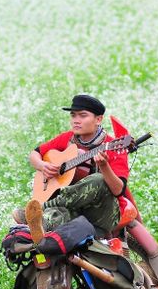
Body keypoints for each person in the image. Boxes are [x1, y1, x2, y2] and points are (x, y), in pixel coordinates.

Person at [13, 94, 133, 240]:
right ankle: (42, 224)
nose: (76, 120)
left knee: (98, 179)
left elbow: (118, 190)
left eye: (82, 116)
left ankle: (39, 208)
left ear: (98, 119)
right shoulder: (68, 139)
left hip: (102, 213)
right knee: (54, 219)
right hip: (73, 210)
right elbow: (35, 154)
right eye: (73, 115)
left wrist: (104, 166)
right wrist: (43, 166)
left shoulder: (113, 146)